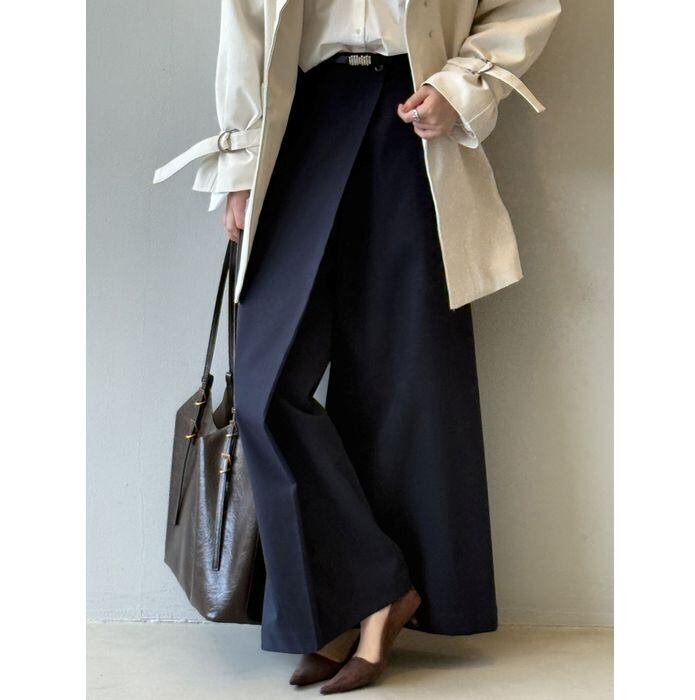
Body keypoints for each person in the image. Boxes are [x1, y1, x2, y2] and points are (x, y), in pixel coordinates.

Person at [154, 0, 561, 693]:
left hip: (412, 115)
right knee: (264, 391)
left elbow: (525, 7)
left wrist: (462, 87)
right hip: (300, 117)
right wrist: (242, 164)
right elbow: (246, 22)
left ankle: (355, 615)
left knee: (403, 378)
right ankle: (376, 589)